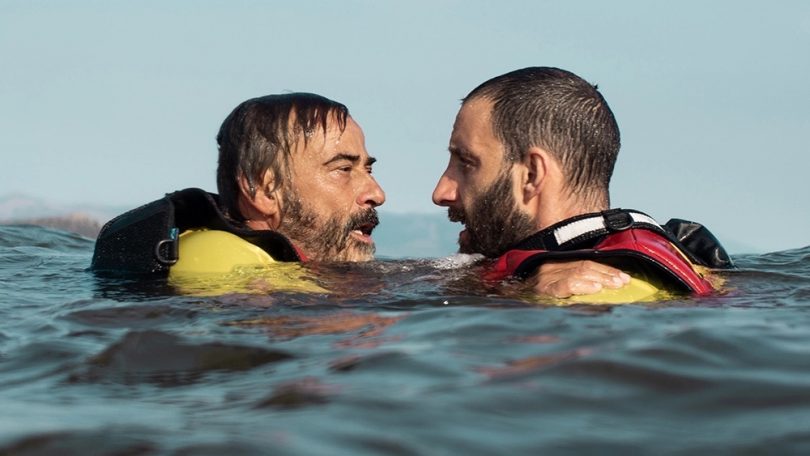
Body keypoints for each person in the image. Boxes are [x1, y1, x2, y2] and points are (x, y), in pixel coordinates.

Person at [432, 67, 732, 302]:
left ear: (532, 175)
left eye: (467, 163)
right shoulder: (534, 280)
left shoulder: (589, 296)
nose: (441, 193)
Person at [91, 93, 385, 280]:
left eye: (368, 169)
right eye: (343, 169)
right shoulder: (225, 266)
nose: (377, 194)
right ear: (264, 190)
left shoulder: (280, 270)